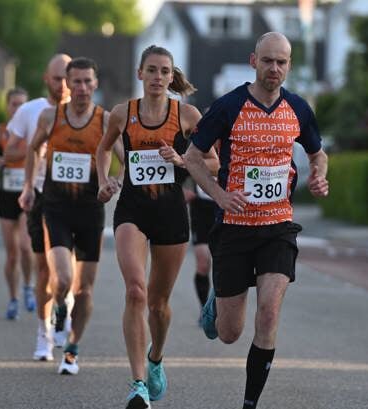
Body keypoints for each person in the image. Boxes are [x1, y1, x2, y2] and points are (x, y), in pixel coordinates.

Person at [183, 32, 329, 409]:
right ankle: (217, 299)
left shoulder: (298, 108)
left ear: (289, 65)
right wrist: (219, 194)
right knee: (230, 333)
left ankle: (250, 403)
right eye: (268, 61)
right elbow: (193, 157)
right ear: (253, 61)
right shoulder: (228, 107)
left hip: (278, 228)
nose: (275, 69)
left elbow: (317, 153)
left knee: (269, 313)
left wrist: (318, 174)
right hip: (234, 229)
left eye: (282, 62)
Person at [96, 45, 218, 408]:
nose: (158, 78)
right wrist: (105, 179)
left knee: (159, 303)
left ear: (170, 76)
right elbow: (103, 149)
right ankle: (137, 384)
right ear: (140, 74)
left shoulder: (187, 115)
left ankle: (156, 358)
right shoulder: (122, 113)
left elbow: (213, 162)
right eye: (151, 70)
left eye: (164, 71)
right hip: (131, 210)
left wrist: (182, 159)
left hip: (170, 213)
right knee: (135, 291)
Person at [20, 57, 122, 375]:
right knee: (62, 279)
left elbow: (124, 158)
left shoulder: (105, 120)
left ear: (95, 84)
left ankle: (73, 350)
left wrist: (113, 183)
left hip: (91, 210)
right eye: (74, 81)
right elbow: (32, 150)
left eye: (86, 81)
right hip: (56, 208)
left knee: (85, 289)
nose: (80, 88)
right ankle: (59, 308)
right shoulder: (52, 117)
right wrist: (27, 186)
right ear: (66, 84)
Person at [4, 53, 71, 361]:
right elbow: (9, 153)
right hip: (43, 195)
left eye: (68, 77)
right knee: (45, 266)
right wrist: (36, 148)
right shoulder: (30, 111)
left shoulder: (87, 113)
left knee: (70, 270)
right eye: (57, 77)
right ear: (46, 78)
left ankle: (63, 310)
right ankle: (43, 331)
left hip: (77, 196)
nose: (64, 84)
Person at [0, 87, 37, 320]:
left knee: (26, 247)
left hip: (28, 192)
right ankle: (13, 298)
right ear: (7, 106)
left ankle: (28, 285)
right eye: (14, 104)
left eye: (22, 104)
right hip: (6, 194)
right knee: (12, 253)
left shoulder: (34, 129)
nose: (18, 108)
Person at [183, 173, 218, 322]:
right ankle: (205, 310)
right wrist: (185, 188)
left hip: (224, 207)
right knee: (203, 264)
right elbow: (183, 165)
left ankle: (221, 308)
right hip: (200, 211)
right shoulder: (197, 149)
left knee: (223, 265)